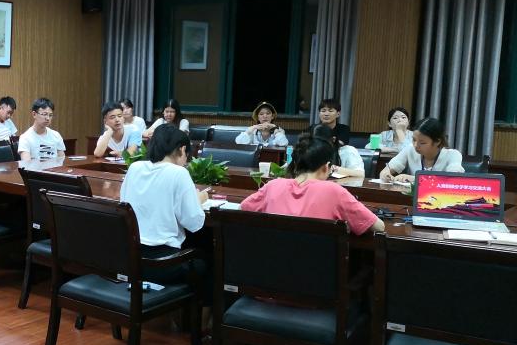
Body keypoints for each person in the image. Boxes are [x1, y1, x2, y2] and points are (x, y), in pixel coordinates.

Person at [241, 132, 384, 235]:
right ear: (326, 167)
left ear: (295, 163)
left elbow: (243, 208)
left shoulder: (273, 185)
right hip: (318, 267)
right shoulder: (334, 191)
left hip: (272, 263)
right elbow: (378, 227)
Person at [120, 124, 208, 255]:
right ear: (182, 149)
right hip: (163, 256)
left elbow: (123, 203)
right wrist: (198, 200)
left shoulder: (135, 167)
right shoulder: (179, 173)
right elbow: (193, 223)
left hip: (130, 251)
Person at [379, 117, 464, 183]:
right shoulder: (410, 149)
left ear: (437, 141)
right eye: (414, 140)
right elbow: (387, 169)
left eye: (422, 143)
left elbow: (453, 179)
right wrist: (386, 175)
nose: (416, 145)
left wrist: (414, 179)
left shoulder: (453, 155)